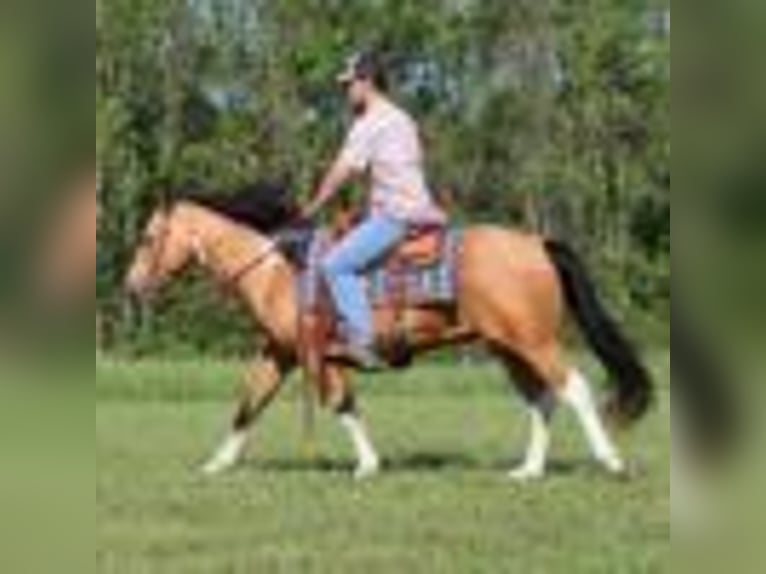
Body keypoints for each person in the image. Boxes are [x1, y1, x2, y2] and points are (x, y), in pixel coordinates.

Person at [302, 50, 447, 369]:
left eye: (350, 84)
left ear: (367, 82)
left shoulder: (370, 122)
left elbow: (343, 170)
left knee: (334, 265)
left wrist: (314, 205)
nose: (347, 91)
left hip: (395, 216)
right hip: (419, 210)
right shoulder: (401, 117)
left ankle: (364, 341)